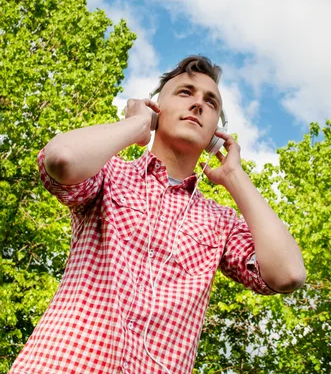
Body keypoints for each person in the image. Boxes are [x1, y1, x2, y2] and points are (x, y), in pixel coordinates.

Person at [9, 55, 306, 374]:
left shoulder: (221, 222)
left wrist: (235, 176)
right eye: (185, 93)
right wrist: (136, 125)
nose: (198, 104)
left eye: (210, 101)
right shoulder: (109, 174)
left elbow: (288, 274)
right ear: (155, 110)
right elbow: (62, 160)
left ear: (215, 135)